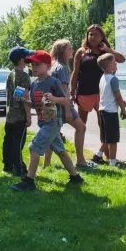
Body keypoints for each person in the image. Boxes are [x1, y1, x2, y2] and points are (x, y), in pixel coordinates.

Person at [11, 50, 84, 192]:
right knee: (61, 151)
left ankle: (29, 181)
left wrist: (55, 99)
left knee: (34, 147)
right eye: (33, 65)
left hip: (53, 122)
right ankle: (76, 177)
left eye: (38, 64)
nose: (34, 67)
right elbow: (35, 105)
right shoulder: (34, 85)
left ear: (48, 66)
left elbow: (64, 100)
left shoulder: (53, 82)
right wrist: (24, 101)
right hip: (43, 123)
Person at [70, 24, 125, 165]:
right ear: (87, 36)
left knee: (104, 126)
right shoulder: (81, 52)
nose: (93, 37)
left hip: (102, 95)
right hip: (84, 93)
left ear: (102, 37)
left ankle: (107, 158)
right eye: (90, 34)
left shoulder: (104, 53)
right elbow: (75, 74)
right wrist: (72, 93)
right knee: (81, 126)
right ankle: (80, 158)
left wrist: (107, 49)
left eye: (96, 35)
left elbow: (121, 59)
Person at [45, 39, 91, 171]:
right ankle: (81, 160)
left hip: (53, 105)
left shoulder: (53, 66)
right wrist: (68, 109)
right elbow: (63, 90)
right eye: (69, 48)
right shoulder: (62, 68)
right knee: (81, 127)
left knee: (53, 133)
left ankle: (46, 164)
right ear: (62, 51)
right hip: (62, 105)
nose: (72, 50)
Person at [3, 46, 34, 176]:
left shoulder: (11, 74)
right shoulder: (24, 76)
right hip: (19, 115)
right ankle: (19, 168)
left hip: (10, 114)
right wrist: (28, 116)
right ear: (22, 60)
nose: (29, 59)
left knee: (8, 140)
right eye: (27, 57)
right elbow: (24, 97)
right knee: (18, 143)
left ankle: (7, 165)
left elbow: (14, 94)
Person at [97, 53, 126, 167]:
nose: (116, 64)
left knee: (106, 137)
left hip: (102, 110)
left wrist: (121, 103)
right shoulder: (113, 79)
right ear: (110, 66)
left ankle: (98, 156)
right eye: (115, 62)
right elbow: (117, 96)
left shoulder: (102, 78)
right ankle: (113, 162)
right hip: (110, 112)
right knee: (113, 139)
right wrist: (123, 109)